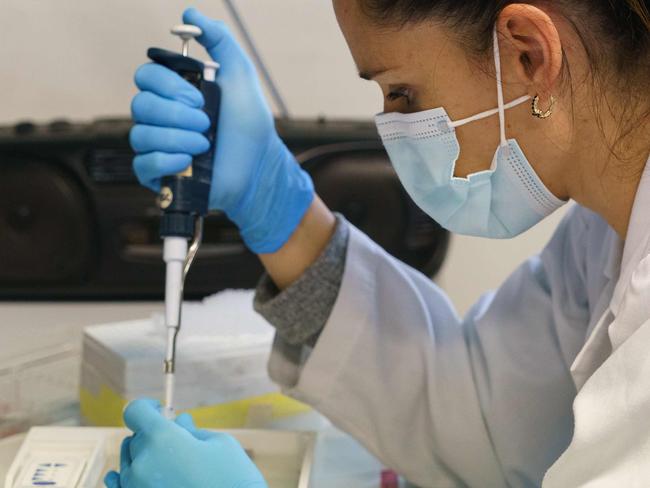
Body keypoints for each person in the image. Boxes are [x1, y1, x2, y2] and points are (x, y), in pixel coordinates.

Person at [106, 1, 650, 486]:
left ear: (528, 54)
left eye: (402, 92)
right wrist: (274, 202)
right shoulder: (605, 230)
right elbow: (488, 426)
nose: (395, 126)